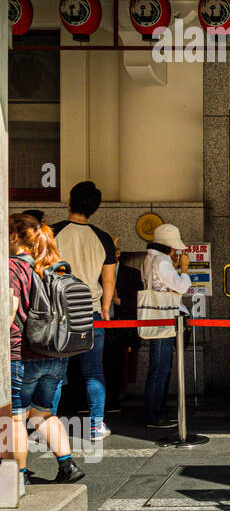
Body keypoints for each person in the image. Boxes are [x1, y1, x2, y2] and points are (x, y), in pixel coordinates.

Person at [9, 214, 85, 485]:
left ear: (14, 237)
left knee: (15, 418)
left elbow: (8, 313)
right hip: (55, 354)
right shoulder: (53, 267)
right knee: (43, 413)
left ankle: (17, 476)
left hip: (22, 354)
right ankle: (68, 465)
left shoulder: (13, 268)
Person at [51, 180, 116, 441]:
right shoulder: (103, 238)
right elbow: (108, 280)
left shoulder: (53, 232)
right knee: (93, 372)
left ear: (69, 202)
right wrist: (105, 307)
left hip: (59, 311)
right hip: (91, 312)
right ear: (94, 209)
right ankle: (96, 425)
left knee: (55, 372)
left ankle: (48, 424)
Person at [141, 223, 192, 429]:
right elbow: (181, 287)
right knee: (161, 367)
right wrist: (185, 270)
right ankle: (155, 414)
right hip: (164, 316)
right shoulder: (162, 261)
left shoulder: (149, 259)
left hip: (155, 315)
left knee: (159, 366)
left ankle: (157, 411)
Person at [104, 237, 142, 415]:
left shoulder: (132, 274)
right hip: (99, 326)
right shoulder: (95, 273)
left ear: (118, 253)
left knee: (116, 366)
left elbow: (138, 304)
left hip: (122, 326)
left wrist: (116, 300)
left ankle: (113, 400)